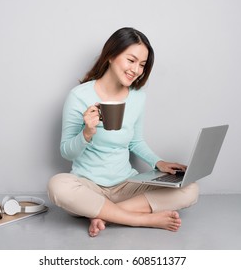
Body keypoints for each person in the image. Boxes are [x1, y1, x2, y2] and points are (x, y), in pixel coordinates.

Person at [48, 27, 199, 237]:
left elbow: (135, 141)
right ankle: (139, 219)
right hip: (88, 187)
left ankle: (103, 215)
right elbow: (66, 151)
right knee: (58, 185)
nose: (136, 70)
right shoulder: (79, 96)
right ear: (110, 55)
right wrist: (87, 133)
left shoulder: (138, 97)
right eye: (131, 60)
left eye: (142, 65)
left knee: (190, 189)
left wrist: (158, 162)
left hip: (126, 186)